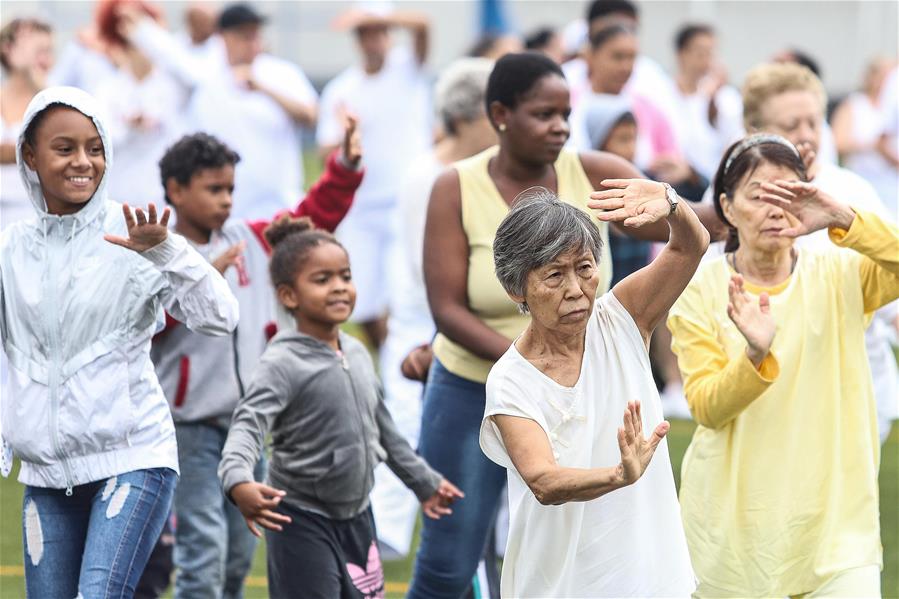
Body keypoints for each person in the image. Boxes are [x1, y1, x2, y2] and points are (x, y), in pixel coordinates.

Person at [407, 51, 695, 599]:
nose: (560, 126)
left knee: (600, 538)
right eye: (544, 113)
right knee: (450, 558)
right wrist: (534, 370)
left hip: (581, 365)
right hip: (472, 380)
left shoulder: (596, 175)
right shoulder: (455, 186)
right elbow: (446, 307)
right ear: (500, 114)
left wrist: (696, 201)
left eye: (567, 112)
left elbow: (687, 236)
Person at [0, 86, 238, 597]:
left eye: (95, 147)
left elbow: (220, 315)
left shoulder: (133, 233)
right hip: (46, 477)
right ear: (30, 156)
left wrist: (168, 252)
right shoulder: (10, 247)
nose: (83, 162)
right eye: (65, 149)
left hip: (134, 460)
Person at [669, 134, 899, 596]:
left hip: (837, 531)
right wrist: (754, 355)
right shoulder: (701, 289)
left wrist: (844, 218)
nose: (775, 209)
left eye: (789, 194)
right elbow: (707, 408)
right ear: (728, 208)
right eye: (758, 195)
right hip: (735, 532)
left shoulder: (840, 274)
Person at [151, 118, 363, 598]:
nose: (226, 199)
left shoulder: (252, 241)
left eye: (230, 188)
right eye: (213, 189)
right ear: (175, 190)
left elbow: (316, 217)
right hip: (190, 426)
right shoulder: (160, 254)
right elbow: (150, 326)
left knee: (239, 555)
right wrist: (199, 279)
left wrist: (345, 167)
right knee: (203, 548)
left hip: (249, 426)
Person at [217, 217, 463, 599]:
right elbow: (248, 426)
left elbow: (384, 432)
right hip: (300, 520)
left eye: (345, 276)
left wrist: (424, 483)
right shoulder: (282, 363)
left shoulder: (357, 352)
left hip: (357, 518)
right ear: (288, 296)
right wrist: (238, 481)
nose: (339, 288)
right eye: (322, 280)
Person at [481, 178, 706, 596]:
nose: (575, 290)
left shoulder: (624, 318)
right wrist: (619, 474)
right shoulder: (511, 380)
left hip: (650, 579)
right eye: (553, 275)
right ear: (517, 289)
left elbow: (689, 248)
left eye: (584, 268)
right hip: (559, 585)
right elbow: (544, 481)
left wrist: (672, 204)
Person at [372, 57, 495, 560]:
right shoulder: (431, 174)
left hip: (452, 312)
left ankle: (495, 530)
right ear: (467, 116)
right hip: (423, 314)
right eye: (493, 113)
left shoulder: (470, 169)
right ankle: (386, 530)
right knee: (404, 423)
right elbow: (432, 265)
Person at [739, 62, 899, 442]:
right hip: (768, 390)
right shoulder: (732, 196)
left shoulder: (853, 190)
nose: (807, 135)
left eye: (814, 122)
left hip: (856, 390)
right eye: (791, 126)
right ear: (755, 131)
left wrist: (843, 219)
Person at [120, 2, 319, 220]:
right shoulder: (208, 75)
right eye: (244, 35)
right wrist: (143, 30)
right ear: (223, 37)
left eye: (255, 34)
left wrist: (262, 87)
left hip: (279, 203)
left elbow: (310, 116)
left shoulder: (281, 72)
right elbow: (174, 57)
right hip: (226, 208)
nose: (252, 42)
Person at [316, 4, 432, 349]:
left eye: (378, 32)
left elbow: (423, 24)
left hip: (405, 201)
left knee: (406, 294)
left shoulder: (407, 68)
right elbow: (324, 153)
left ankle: (405, 362)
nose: (373, 40)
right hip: (362, 207)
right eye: (365, 33)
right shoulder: (341, 89)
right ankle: (391, 357)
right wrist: (347, 134)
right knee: (362, 302)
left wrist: (378, 16)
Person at [92, 0, 191, 211]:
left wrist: (145, 30)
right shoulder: (107, 89)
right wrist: (129, 127)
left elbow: (192, 74)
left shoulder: (174, 84)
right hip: (120, 208)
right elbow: (99, 141)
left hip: (168, 209)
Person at [568, 25, 690, 186]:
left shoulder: (649, 109)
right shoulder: (570, 103)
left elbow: (673, 157)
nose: (626, 66)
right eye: (617, 57)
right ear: (591, 56)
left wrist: (675, 170)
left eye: (631, 58)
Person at [669, 24, 743, 181]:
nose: (707, 59)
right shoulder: (661, 93)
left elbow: (734, 139)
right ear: (681, 54)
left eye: (711, 52)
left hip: (710, 181)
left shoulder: (725, 98)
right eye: (700, 52)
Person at [1, 18, 53, 229]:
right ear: (7, 48)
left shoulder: (53, 100)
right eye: (37, 50)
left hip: (40, 216)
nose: (44, 59)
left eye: (48, 51)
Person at [832, 56, 898, 216]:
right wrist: (872, 145)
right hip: (863, 177)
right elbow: (839, 142)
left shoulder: (890, 105)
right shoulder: (854, 104)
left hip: (892, 182)